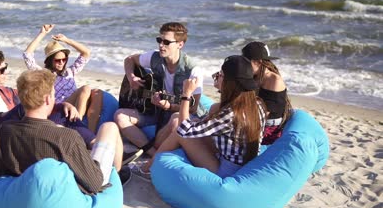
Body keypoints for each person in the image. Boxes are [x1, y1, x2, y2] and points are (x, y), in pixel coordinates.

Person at [0, 70, 131, 193]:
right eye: (53, 95)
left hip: (25, 186)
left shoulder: (5, 129)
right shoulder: (66, 136)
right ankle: (116, 175)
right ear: (48, 99)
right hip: (72, 190)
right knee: (110, 127)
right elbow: (94, 184)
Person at [134, 55, 266, 180]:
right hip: (243, 163)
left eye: (220, 75)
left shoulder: (230, 114)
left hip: (227, 171)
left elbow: (183, 131)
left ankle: (145, 169)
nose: (216, 77)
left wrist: (186, 94)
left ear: (229, 82)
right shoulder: (257, 103)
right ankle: (153, 158)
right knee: (197, 118)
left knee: (178, 134)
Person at [0, 45, 94, 148]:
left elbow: (37, 101)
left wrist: (63, 105)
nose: (6, 72)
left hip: (19, 127)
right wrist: (2, 116)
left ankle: (93, 144)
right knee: (24, 107)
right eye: (1, 70)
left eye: (6, 67)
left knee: (64, 113)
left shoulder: (8, 92)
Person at [114, 22, 206, 163]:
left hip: (181, 113)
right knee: (120, 116)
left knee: (176, 119)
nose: (161, 45)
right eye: (159, 40)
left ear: (180, 44)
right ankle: (153, 153)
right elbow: (129, 59)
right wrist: (131, 77)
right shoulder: (154, 58)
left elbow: (193, 107)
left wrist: (169, 106)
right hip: (156, 111)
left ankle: (153, 151)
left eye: (166, 42)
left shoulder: (193, 70)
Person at [23, 24, 103, 133]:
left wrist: (66, 40)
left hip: (75, 104)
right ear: (50, 60)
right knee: (85, 88)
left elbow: (86, 53)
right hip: (59, 108)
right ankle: (77, 125)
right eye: (57, 60)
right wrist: (42, 34)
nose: (61, 63)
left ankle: (89, 130)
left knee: (95, 92)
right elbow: (27, 55)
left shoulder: (70, 71)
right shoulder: (44, 74)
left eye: (64, 59)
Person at [241, 41, 292, 145]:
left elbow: (265, 112)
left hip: (270, 128)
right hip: (256, 121)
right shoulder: (253, 77)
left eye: (246, 62)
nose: (243, 65)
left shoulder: (274, 80)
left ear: (258, 62)